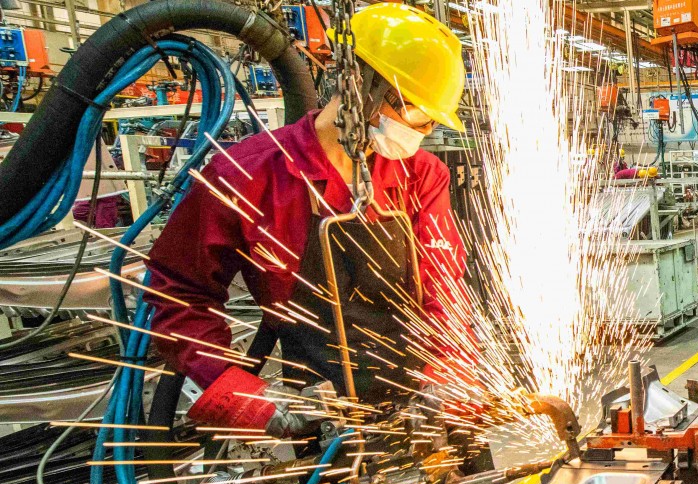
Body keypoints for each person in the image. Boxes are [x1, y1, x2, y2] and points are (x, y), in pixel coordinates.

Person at [143, 3, 467, 436]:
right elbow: (179, 293)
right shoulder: (246, 175)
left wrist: (449, 369)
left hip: (421, 390)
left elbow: (443, 290)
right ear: (356, 82)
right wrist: (233, 386)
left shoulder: (422, 174)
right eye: (412, 111)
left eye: (430, 121)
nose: (421, 131)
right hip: (315, 402)